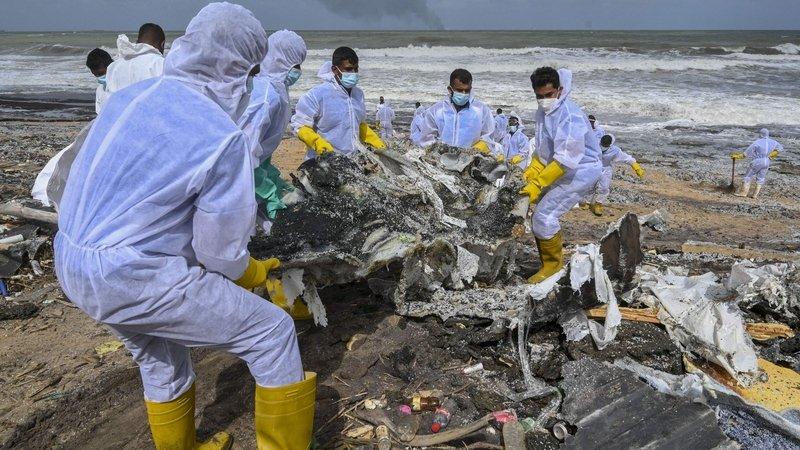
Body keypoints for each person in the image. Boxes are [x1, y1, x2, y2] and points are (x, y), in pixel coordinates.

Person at [52, 4, 314, 449]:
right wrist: (254, 272)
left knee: (159, 356)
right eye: (251, 72)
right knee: (271, 334)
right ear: (240, 70)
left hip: (72, 260)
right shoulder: (220, 135)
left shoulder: (131, 97)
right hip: (134, 276)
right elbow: (218, 254)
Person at [238, 29, 312, 320]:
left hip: (254, 174)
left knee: (262, 238)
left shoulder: (276, 89)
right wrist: (266, 190)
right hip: (243, 178)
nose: (298, 71)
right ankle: (282, 303)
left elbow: (260, 153)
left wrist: (272, 177)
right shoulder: (266, 95)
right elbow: (244, 152)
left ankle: (278, 300)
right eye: (296, 64)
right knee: (270, 237)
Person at [520, 67, 602, 283]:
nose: (544, 100)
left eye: (549, 95)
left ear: (559, 89)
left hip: (581, 170)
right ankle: (546, 263)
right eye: (539, 96)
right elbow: (544, 148)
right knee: (538, 213)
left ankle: (553, 267)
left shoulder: (570, 115)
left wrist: (538, 183)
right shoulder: (543, 112)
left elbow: (567, 158)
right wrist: (533, 169)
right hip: (560, 167)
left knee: (545, 215)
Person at [291, 46, 385, 159]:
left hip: (353, 160)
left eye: (356, 69)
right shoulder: (317, 95)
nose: (354, 73)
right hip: (324, 161)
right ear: (335, 70)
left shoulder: (358, 94)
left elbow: (358, 124)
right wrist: (318, 144)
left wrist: (374, 140)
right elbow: (300, 126)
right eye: (349, 69)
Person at [412, 68, 495, 154]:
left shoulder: (481, 110)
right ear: (450, 89)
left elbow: (489, 137)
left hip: (471, 160)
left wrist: (478, 149)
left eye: (467, 90)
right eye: (459, 90)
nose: (463, 93)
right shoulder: (436, 111)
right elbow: (426, 139)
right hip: (442, 160)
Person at [580, 134, 645, 216]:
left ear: (610, 144)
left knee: (604, 187)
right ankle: (587, 202)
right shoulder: (595, 145)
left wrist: (636, 166)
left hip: (606, 170)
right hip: (594, 167)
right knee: (590, 185)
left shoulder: (615, 151)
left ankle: (598, 204)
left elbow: (626, 158)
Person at [104, 23, 166, 103]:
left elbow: (108, 100)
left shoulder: (114, 66)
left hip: (119, 114)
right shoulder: (160, 63)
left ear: (137, 42)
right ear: (162, 44)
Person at [731, 128, 783, 199]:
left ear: (761, 134)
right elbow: (780, 148)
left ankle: (743, 193)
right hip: (767, 161)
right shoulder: (774, 142)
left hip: (757, 161)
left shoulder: (757, 142)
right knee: (761, 178)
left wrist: (737, 156)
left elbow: (746, 154)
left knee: (747, 176)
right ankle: (755, 195)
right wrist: (773, 154)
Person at [86, 48, 113, 114]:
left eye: (101, 73)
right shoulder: (100, 90)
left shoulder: (125, 80)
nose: (100, 77)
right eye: (96, 75)